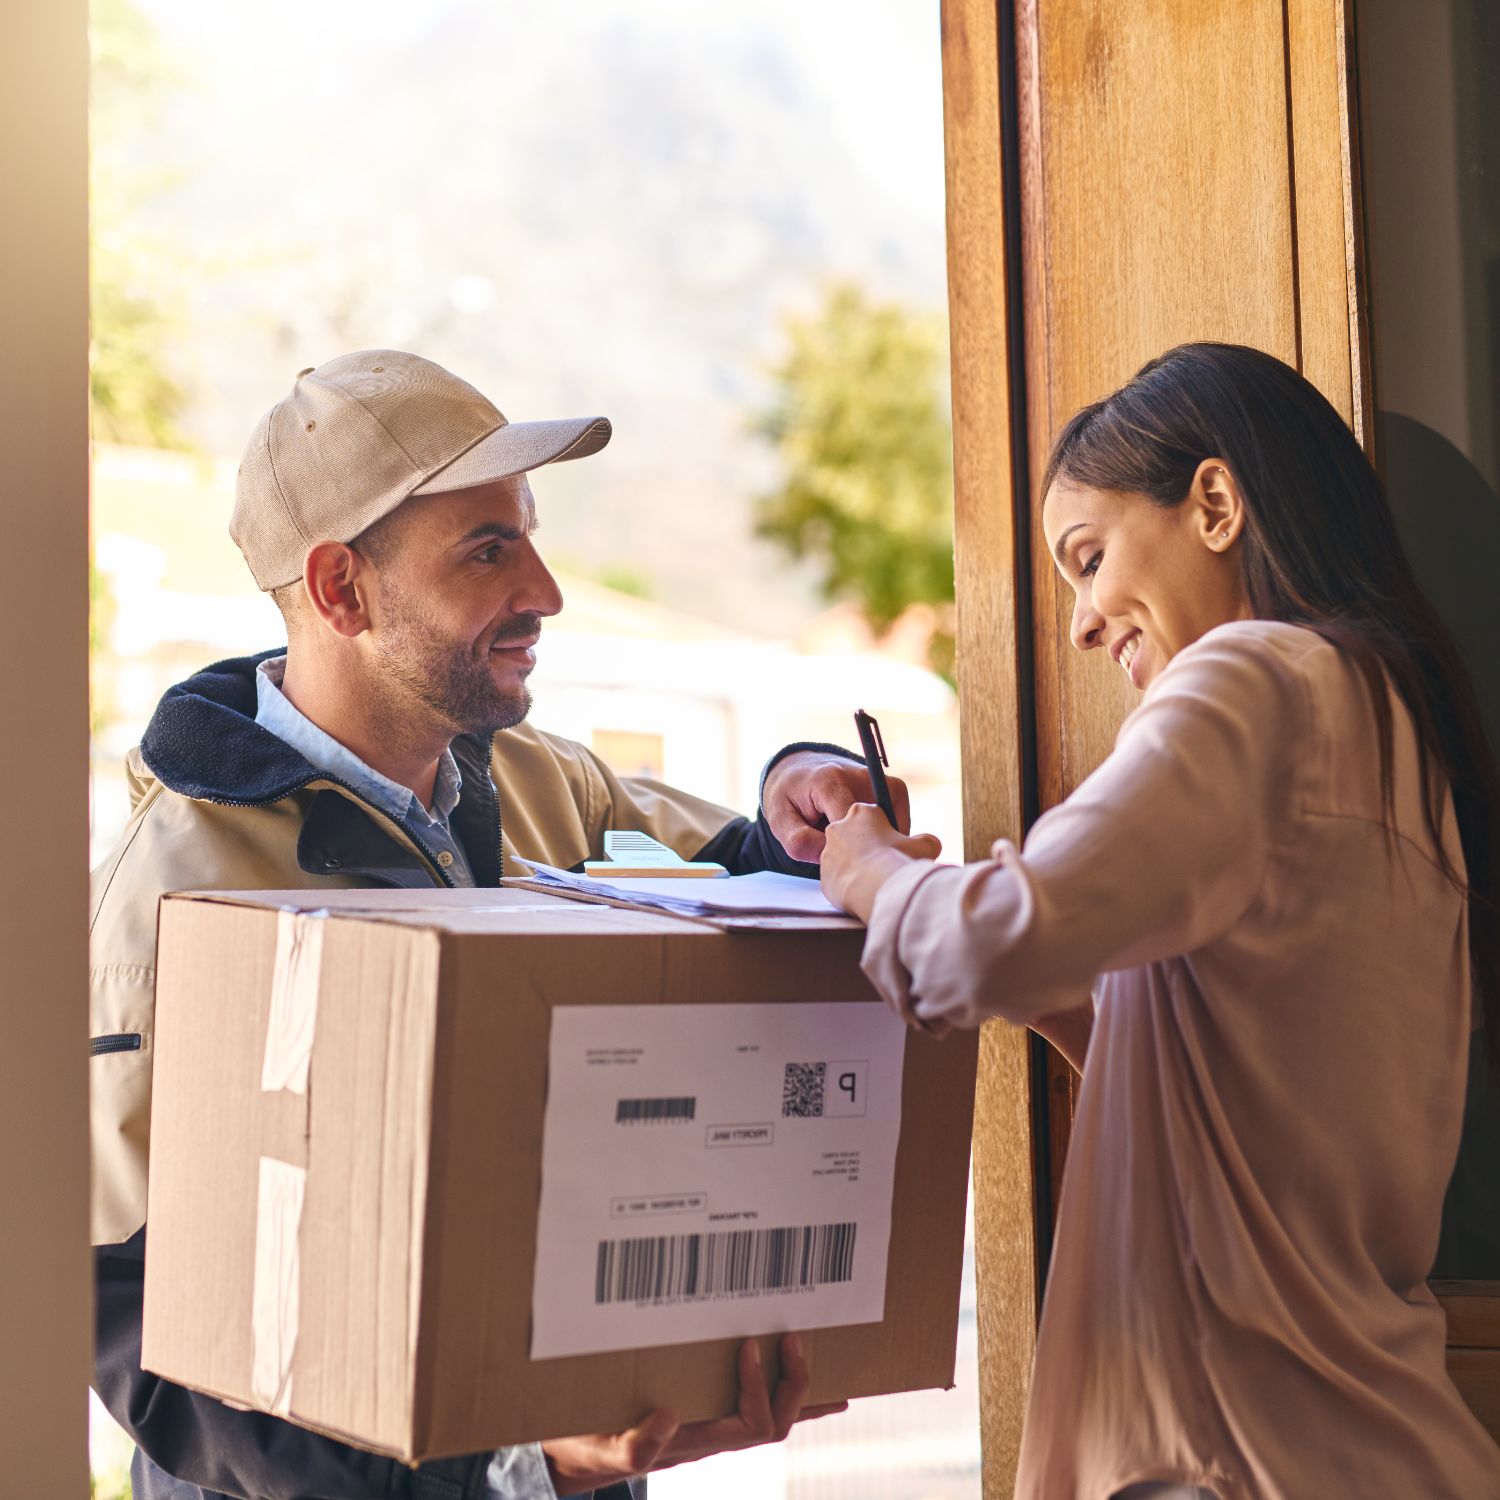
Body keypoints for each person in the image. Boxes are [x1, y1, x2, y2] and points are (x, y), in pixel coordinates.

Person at [90, 350, 906, 1500]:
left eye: (528, 535)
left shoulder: (530, 780)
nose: (546, 590)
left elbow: (736, 864)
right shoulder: (166, 903)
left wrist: (801, 800)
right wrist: (506, 1470)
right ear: (341, 591)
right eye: (488, 550)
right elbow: (136, 1335)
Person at [819, 343, 1500, 1499]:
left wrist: (869, 869)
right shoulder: (1394, 733)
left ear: (1217, 504)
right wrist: (1078, 1010)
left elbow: (981, 939)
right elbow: (1271, 1086)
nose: (1082, 624)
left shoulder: (1254, 679)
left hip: (1234, 1459)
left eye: (1088, 561)